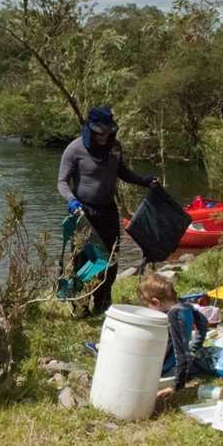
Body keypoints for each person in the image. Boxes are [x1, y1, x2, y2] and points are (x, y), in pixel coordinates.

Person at [57, 106, 158, 314]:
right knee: (83, 261)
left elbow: (122, 172)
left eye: (107, 132)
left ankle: (102, 303)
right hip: (83, 214)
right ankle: (80, 306)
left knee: (110, 259)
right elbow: (62, 182)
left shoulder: (115, 148)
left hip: (108, 212)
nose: (104, 136)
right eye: (99, 132)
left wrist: (143, 181)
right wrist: (71, 200)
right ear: (90, 129)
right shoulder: (74, 149)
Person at [137, 274, 209, 400]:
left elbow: (181, 353)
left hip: (169, 368)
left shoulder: (173, 316)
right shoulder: (185, 305)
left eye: (149, 306)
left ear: (156, 302)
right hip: (178, 362)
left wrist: (176, 386)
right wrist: (195, 348)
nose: (149, 309)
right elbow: (203, 322)